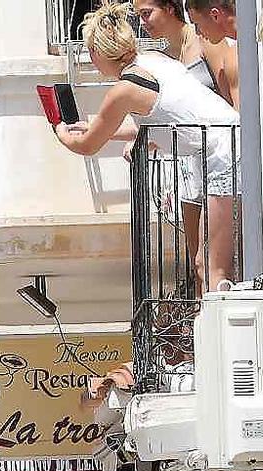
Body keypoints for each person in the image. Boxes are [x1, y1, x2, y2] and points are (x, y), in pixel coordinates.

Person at [57, 2, 239, 292]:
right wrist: (94, 128)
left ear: (98, 52)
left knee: (212, 268)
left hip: (221, 153)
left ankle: (225, 334)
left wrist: (61, 130)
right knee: (205, 267)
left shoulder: (124, 90)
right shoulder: (152, 61)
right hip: (223, 146)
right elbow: (158, 120)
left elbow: (87, 146)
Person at [184, 0, 240, 105]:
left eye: (197, 24)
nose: (197, 32)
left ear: (215, 16)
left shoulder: (236, 56)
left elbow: (242, 117)